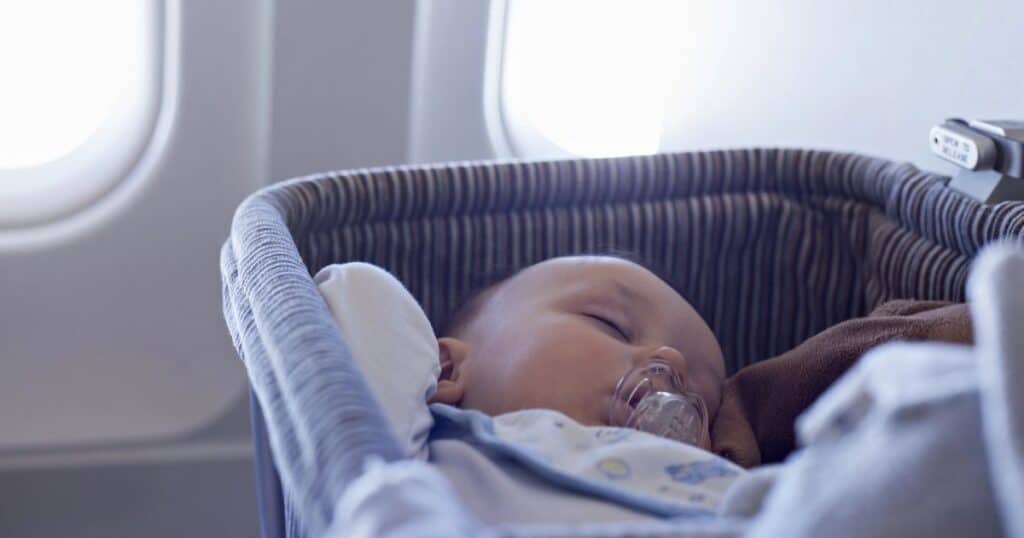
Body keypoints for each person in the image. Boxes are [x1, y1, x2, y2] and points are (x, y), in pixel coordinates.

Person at [427, 254, 726, 450]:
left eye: (701, 397)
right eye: (610, 324)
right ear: (446, 370)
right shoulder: (420, 464)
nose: (673, 361)